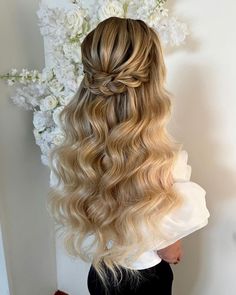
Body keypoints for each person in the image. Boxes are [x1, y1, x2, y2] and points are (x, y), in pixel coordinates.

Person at [48, 16, 210, 295]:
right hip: (148, 281)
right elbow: (166, 240)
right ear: (152, 81)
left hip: (100, 275)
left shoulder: (76, 153)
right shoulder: (163, 161)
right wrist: (172, 245)